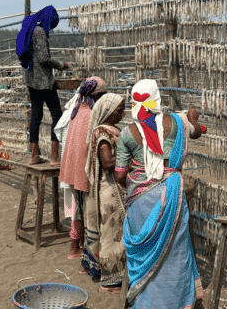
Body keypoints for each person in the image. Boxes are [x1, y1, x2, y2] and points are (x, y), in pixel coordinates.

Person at [116, 79, 203, 308]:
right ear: (157, 98)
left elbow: (118, 174)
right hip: (173, 195)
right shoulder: (177, 122)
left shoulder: (127, 133)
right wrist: (192, 118)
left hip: (141, 204)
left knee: (144, 255)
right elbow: (195, 132)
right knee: (175, 254)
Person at [79, 93, 126, 293]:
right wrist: (131, 160)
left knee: (107, 232)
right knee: (112, 236)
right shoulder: (103, 133)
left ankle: (94, 267)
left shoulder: (107, 130)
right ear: (108, 111)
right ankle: (110, 282)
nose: (122, 114)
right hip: (110, 191)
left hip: (109, 190)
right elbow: (107, 163)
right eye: (119, 110)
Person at [58, 77, 109, 260]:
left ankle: (75, 245)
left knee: (77, 209)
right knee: (88, 211)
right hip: (83, 169)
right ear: (97, 95)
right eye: (103, 95)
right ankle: (83, 250)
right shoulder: (92, 114)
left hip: (71, 167)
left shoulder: (76, 110)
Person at [16, 5, 69, 165]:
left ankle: (34, 155)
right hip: (43, 81)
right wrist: (61, 64)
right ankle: (54, 157)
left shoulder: (31, 28)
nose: (51, 28)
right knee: (57, 115)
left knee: (36, 116)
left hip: (32, 80)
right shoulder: (39, 32)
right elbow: (44, 58)